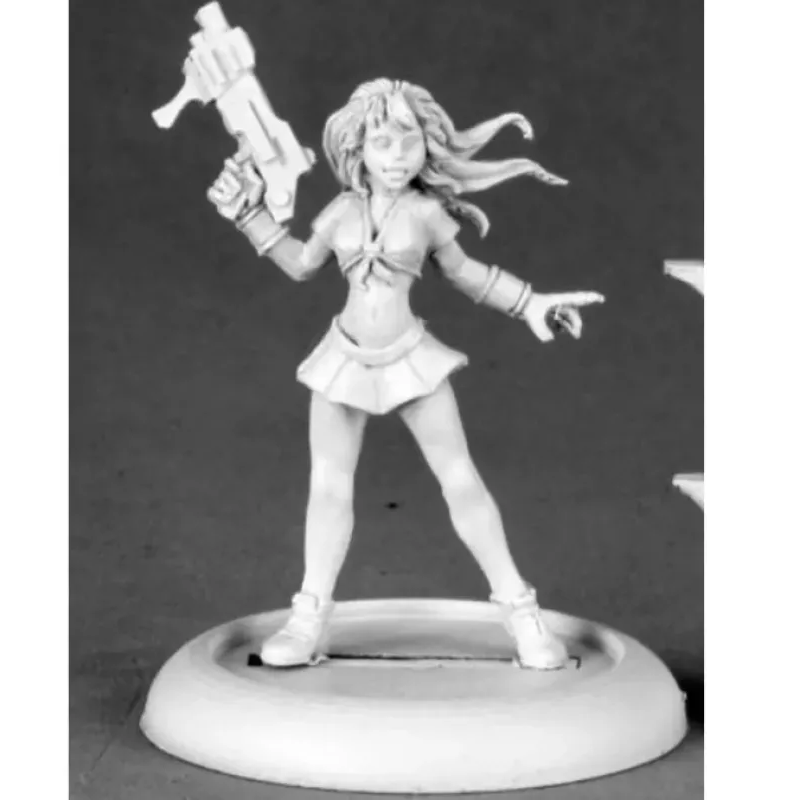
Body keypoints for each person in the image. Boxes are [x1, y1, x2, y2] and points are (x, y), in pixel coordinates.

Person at [207, 78, 604, 670]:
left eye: (409, 141)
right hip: (343, 360)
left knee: (461, 481)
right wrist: (248, 215)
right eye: (382, 142)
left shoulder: (426, 213)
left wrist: (530, 303)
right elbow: (300, 264)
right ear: (357, 148)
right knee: (328, 488)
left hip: (411, 359)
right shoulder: (342, 211)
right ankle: (307, 618)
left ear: (427, 144)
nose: (397, 156)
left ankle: (522, 614)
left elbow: (467, 273)